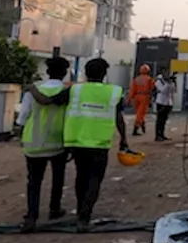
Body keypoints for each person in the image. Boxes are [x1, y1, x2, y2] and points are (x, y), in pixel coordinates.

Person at [29, 58, 128, 232]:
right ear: (104, 74)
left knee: (81, 177)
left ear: (86, 73)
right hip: (100, 143)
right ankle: (85, 215)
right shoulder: (113, 92)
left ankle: (81, 209)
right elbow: (119, 118)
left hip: (78, 142)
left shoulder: (75, 90)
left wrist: (32, 89)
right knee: (95, 179)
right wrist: (124, 139)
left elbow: (47, 101)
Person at [15, 56, 71, 232]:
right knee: (58, 177)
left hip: (35, 141)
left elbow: (23, 116)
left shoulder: (34, 90)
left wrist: (21, 136)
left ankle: (32, 215)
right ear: (65, 73)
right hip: (58, 141)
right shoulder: (67, 92)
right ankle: (55, 208)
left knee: (34, 180)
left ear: (47, 72)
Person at [128, 65, 154, 136]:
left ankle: (142, 125)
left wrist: (129, 99)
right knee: (141, 114)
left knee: (139, 113)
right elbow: (152, 89)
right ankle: (135, 129)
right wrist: (151, 99)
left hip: (136, 97)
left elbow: (132, 90)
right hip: (144, 97)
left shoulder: (136, 79)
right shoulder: (149, 79)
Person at [154, 73, 175, 142]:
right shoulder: (158, 82)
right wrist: (168, 83)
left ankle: (162, 134)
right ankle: (157, 136)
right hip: (160, 102)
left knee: (164, 120)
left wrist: (173, 82)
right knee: (159, 120)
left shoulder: (168, 82)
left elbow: (173, 90)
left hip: (167, 103)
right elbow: (163, 90)